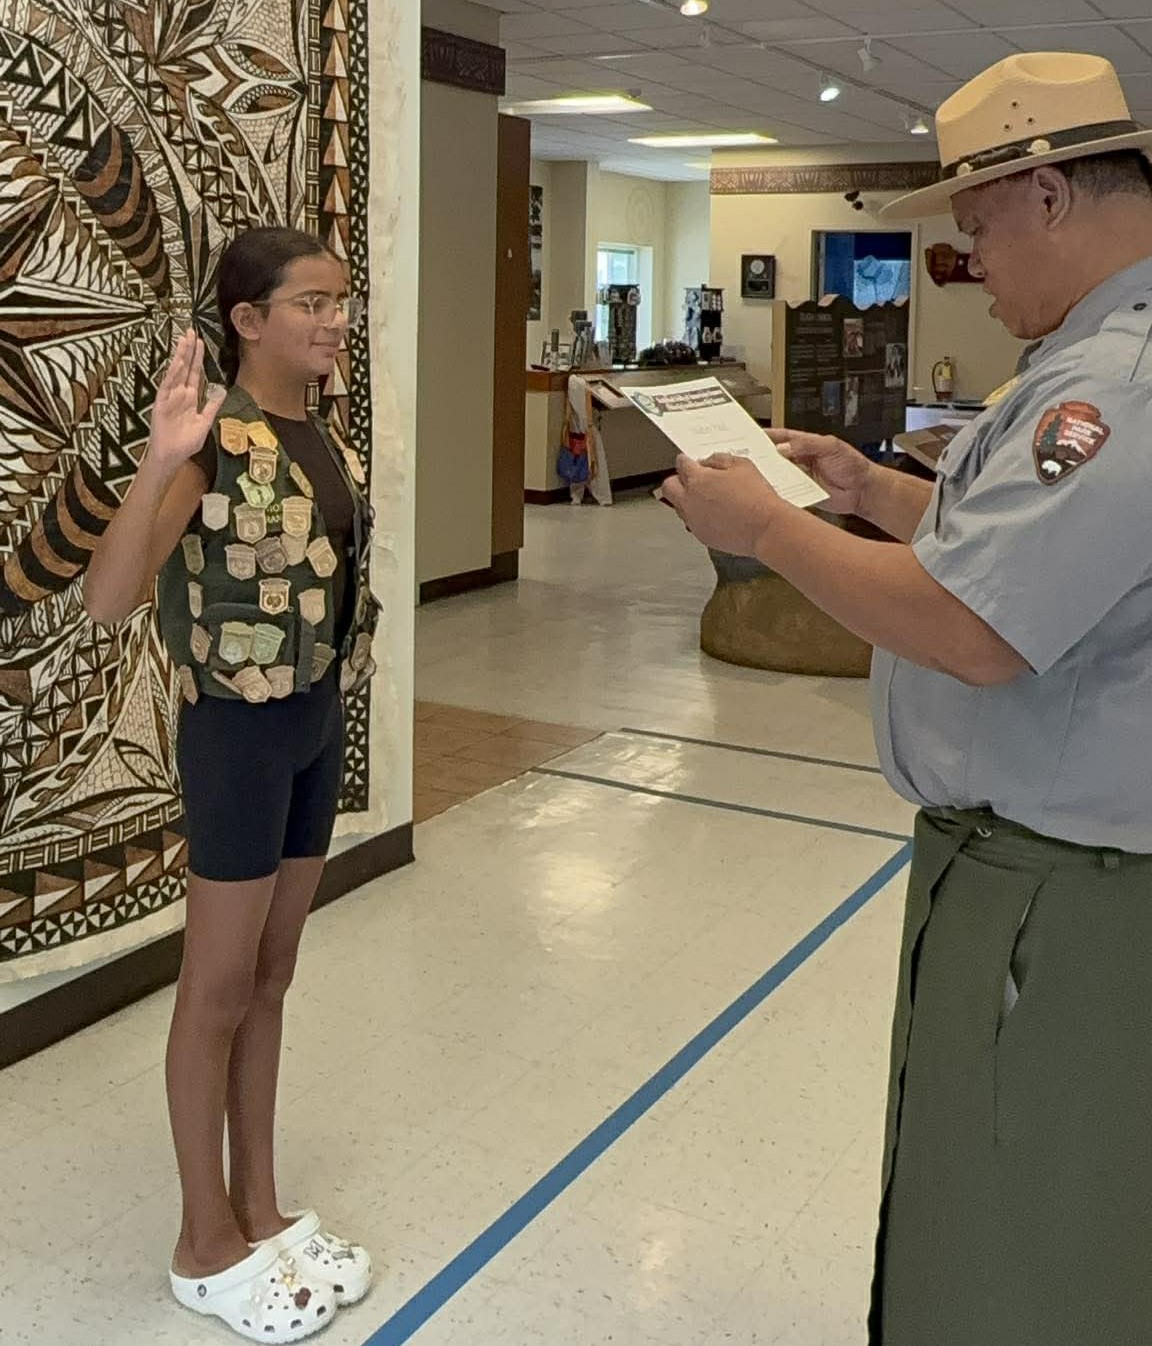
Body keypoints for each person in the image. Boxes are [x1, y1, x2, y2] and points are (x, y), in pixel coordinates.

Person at [661, 52, 1152, 1346]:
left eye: (977, 224)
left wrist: (767, 526)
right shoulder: (1083, 360)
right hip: (1034, 871)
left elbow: (979, 625)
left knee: (1021, 1231)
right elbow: (1026, 556)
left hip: (1063, 890)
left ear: (1047, 194)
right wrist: (870, 493)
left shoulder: (1116, 383)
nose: (968, 259)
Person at [85, 226, 380, 1344]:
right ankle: (202, 1238)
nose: (333, 319)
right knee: (214, 987)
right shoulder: (217, 441)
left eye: (340, 300)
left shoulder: (319, 432)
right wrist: (161, 459)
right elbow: (113, 598)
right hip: (239, 741)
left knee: (273, 971)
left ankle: (260, 1203)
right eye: (310, 302)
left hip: (312, 726)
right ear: (248, 321)